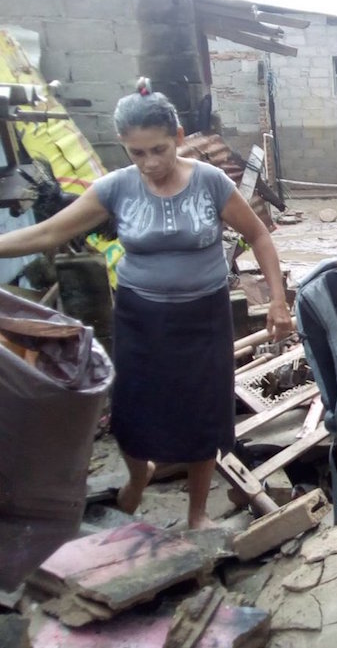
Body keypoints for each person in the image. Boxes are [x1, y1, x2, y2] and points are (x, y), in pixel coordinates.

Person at [0, 78, 292, 530]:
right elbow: (48, 233)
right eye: (138, 153)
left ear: (177, 138)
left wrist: (277, 302)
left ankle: (197, 515)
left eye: (159, 149)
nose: (150, 163)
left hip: (204, 317)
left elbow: (258, 236)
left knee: (204, 412)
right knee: (134, 411)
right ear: (124, 147)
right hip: (141, 317)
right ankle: (140, 476)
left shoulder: (210, 182)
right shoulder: (116, 188)